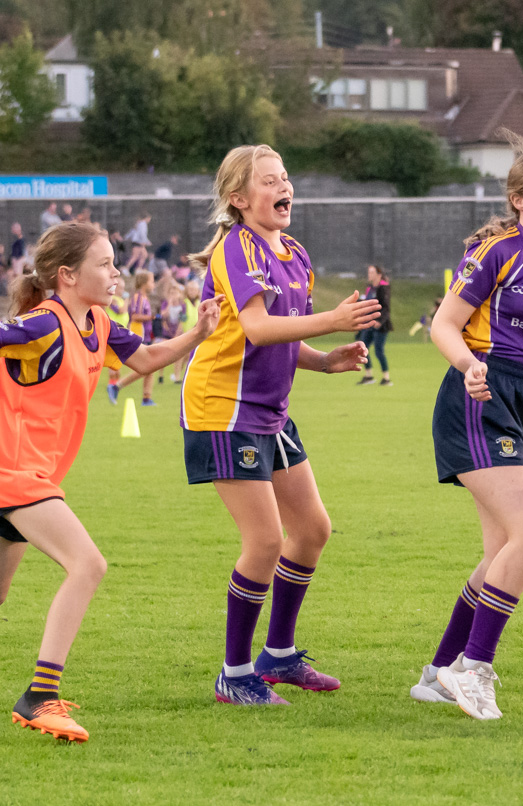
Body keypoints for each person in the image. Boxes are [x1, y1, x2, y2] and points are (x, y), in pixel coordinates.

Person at [0, 221, 222, 742]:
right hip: (13, 471)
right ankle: (41, 696)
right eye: (105, 264)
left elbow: (148, 358)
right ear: (67, 275)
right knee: (88, 564)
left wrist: (199, 333)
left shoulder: (101, 323)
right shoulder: (42, 324)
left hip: (31, 472)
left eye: (115, 263)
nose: (117, 273)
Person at [181, 144, 380, 707]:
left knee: (312, 530)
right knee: (265, 539)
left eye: (285, 177)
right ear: (238, 199)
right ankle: (234, 673)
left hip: (269, 414)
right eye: (268, 180)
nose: (283, 187)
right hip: (223, 409)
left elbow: (285, 338)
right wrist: (336, 319)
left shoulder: (293, 252)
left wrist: (324, 359)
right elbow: (259, 327)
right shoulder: (235, 248)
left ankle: (279, 657)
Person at [409, 136, 523, 721]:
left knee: (501, 556)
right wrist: (469, 365)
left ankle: (440, 671)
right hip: (478, 396)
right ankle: (473, 668)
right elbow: (444, 325)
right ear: (520, 200)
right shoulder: (497, 253)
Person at [112, 271, 156, 405]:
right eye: (151, 281)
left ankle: (147, 398)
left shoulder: (144, 297)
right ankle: (117, 386)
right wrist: (152, 317)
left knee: (151, 366)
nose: (153, 285)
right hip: (139, 334)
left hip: (145, 334)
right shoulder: (138, 297)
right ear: (144, 283)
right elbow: (135, 316)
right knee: (147, 366)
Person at [356, 265, 393, 386]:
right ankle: (369, 376)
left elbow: (386, 308)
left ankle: (386, 378)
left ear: (379, 274)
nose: (369, 274)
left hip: (380, 325)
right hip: (369, 322)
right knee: (362, 348)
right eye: (369, 272)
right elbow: (367, 303)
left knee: (378, 351)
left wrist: (380, 321)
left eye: (371, 272)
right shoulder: (370, 288)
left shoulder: (383, 287)